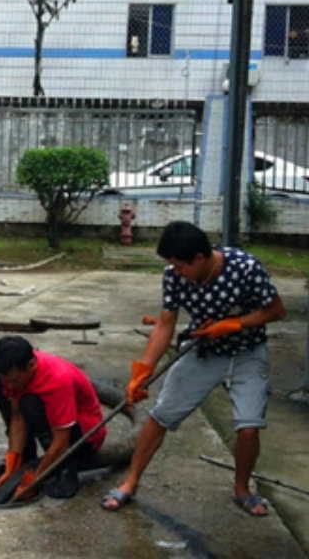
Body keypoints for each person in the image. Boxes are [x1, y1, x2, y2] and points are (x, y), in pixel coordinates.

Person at [100, 221, 286, 516]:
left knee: (249, 428)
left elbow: (276, 311)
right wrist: (142, 371)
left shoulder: (246, 268)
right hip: (204, 351)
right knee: (160, 416)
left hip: (248, 352)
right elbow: (166, 323)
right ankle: (130, 482)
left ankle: (242, 489)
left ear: (199, 258)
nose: (176, 272)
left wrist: (233, 324)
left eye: (179, 266)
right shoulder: (173, 276)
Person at [0, 335, 106, 500]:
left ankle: (65, 471)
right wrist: (12, 465)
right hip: (55, 429)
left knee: (30, 402)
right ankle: (24, 461)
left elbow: (61, 441)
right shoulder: (13, 377)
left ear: (31, 365)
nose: (10, 386)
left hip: (82, 437)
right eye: (7, 379)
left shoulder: (57, 380)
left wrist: (34, 481)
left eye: (14, 380)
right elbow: (17, 418)